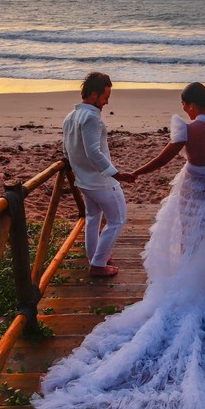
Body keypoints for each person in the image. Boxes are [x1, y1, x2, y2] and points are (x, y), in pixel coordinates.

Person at [32, 82, 205, 409]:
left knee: (187, 235)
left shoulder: (186, 127)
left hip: (192, 186)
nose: (184, 108)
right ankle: (199, 284)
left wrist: (139, 173)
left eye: (184, 103)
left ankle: (186, 282)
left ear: (191, 104)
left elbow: (168, 157)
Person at [62, 72, 135, 278]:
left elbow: (66, 150)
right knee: (117, 219)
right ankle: (98, 264)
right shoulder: (91, 117)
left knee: (93, 217)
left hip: (83, 180)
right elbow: (94, 152)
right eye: (105, 97)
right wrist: (117, 174)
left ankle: (95, 256)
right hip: (100, 181)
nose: (106, 102)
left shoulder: (70, 117)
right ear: (93, 95)